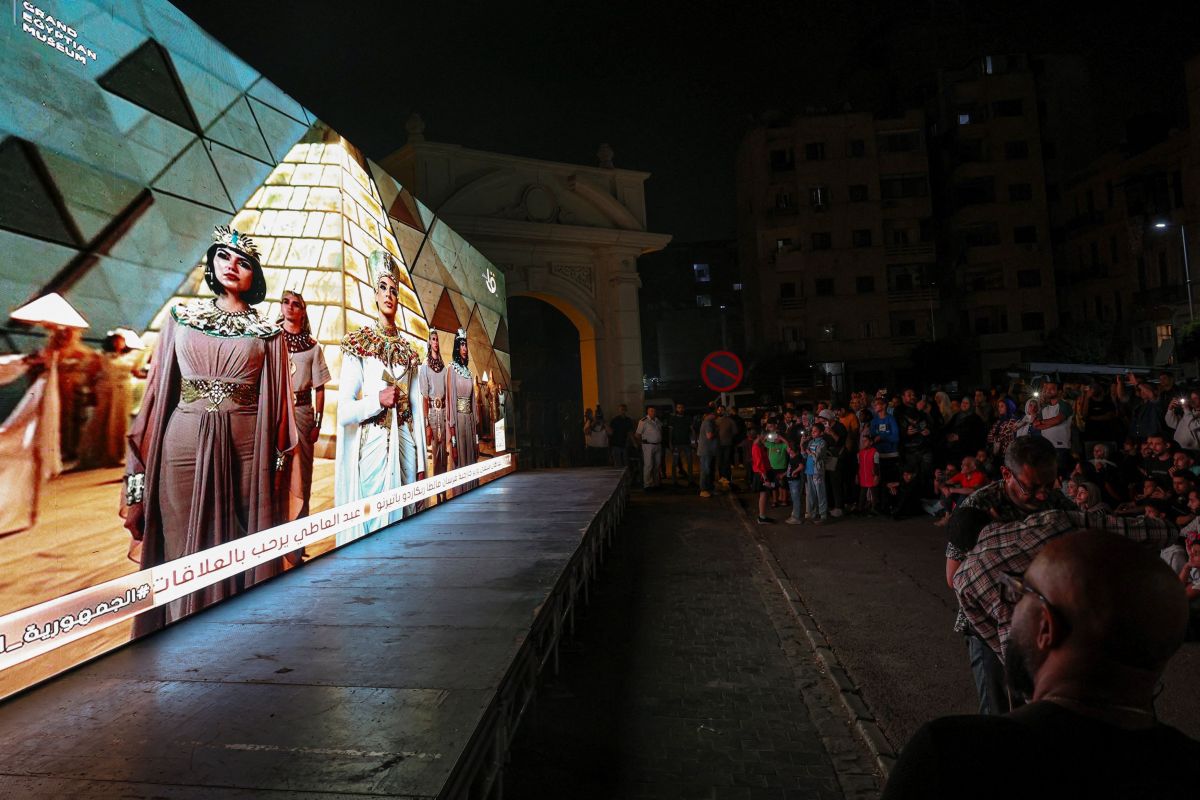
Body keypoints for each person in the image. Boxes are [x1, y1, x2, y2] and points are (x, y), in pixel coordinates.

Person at [885, 530, 1199, 799]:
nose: (1013, 606)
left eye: (1022, 593)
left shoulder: (951, 756)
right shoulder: (1187, 769)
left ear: (1046, 627)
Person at [123, 226, 298, 634]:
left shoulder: (269, 333)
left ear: (255, 275)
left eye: (244, 262)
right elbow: (156, 400)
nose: (232, 266)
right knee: (180, 542)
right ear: (211, 263)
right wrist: (137, 486)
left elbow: (278, 412)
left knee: (238, 544)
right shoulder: (180, 318)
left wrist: (275, 475)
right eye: (223, 256)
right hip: (181, 444)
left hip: (246, 449)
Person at [943, 436, 1077, 715]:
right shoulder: (975, 509)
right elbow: (954, 577)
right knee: (1000, 710)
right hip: (989, 622)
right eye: (1032, 487)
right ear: (1006, 473)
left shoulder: (1057, 501)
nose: (1042, 495)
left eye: (1049, 484)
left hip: (1049, 617)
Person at [335, 250, 428, 544]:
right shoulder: (359, 344)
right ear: (375, 295)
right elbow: (344, 412)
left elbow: (416, 409)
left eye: (394, 290)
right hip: (373, 446)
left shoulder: (409, 353)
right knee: (373, 528)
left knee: (407, 526)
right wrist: (377, 400)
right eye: (383, 288)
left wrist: (422, 465)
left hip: (406, 446)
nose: (389, 294)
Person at [280, 290, 330, 518]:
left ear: (303, 311)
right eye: (285, 302)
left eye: (296, 304)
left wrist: (317, 423)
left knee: (303, 472)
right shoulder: (272, 340)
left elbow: (320, 388)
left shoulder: (313, 347)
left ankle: (300, 527)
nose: (290, 307)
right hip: (277, 412)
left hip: (302, 414)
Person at [78, 331, 138, 468]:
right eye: (116, 340)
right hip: (106, 389)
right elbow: (91, 374)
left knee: (120, 420)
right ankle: (96, 454)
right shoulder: (101, 356)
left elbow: (136, 372)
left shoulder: (130, 357)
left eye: (121, 341)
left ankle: (117, 454)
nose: (119, 343)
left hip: (123, 389)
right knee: (102, 418)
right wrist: (90, 391)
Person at [446, 327, 478, 480]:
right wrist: (453, 443)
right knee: (461, 466)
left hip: (470, 422)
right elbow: (450, 404)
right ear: (457, 347)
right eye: (461, 345)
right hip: (458, 423)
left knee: (472, 463)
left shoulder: (469, 373)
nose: (465, 348)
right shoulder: (451, 369)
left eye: (466, 345)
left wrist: (477, 440)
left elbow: (474, 406)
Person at [419, 329, 449, 484]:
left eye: (437, 339)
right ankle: (437, 485)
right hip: (431, 412)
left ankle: (444, 483)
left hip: (443, 412)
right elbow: (424, 397)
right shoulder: (424, 367)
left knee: (444, 449)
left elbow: (447, 394)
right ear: (429, 342)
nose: (436, 342)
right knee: (435, 448)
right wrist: (427, 425)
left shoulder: (444, 368)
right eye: (433, 339)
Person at [1033, 381, 1073, 476]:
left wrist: (1043, 422)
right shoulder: (1044, 408)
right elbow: (1036, 425)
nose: (1048, 391)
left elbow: (1058, 419)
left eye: (1052, 389)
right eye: (1047, 389)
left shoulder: (1065, 405)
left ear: (1059, 391)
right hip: (1046, 447)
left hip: (1061, 448)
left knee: (1060, 475)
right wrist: (1051, 423)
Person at [805, 420, 829, 524]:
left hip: (817, 470)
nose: (813, 433)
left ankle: (823, 515)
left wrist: (809, 452)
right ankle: (813, 513)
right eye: (812, 431)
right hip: (809, 470)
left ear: (821, 433)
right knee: (811, 493)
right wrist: (803, 446)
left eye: (815, 431)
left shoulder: (822, 443)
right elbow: (805, 454)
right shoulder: (811, 442)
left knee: (820, 492)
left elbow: (818, 456)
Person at [635, 405, 663, 489]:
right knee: (649, 465)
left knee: (657, 465)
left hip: (658, 445)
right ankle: (647, 485)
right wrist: (641, 444)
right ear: (647, 411)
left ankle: (656, 483)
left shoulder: (657, 420)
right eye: (651, 411)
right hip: (648, 445)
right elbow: (637, 434)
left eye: (654, 411)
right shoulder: (643, 421)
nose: (653, 412)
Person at [750, 426, 775, 523]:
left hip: (763, 473)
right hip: (762, 474)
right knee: (763, 494)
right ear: (758, 435)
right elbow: (759, 464)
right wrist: (765, 478)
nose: (765, 437)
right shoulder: (756, 447)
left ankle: (762, 516)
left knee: (764, 494)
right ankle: (761, 516)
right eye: (763, 435)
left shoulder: (758, 445)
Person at [667, 402, 693, 485]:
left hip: (687, 443)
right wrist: (670, 443)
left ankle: (691, 480)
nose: (680, 409)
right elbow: (670, 431)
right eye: (679, 407)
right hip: (676, 444)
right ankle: (674, 481)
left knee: (689, 462)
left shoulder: (688, 418)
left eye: (682, 407)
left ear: (684, 409)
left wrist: (694, 441)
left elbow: (692, 430)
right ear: (676, 409)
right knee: (674, 463)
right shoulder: (673, 419)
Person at [715, 405, 738, 487]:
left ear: (725, 411)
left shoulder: (730, 421)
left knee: (727, 461)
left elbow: (735, 431)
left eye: (722, 409)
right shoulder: (715, 421)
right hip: (718, 445)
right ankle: (722, 477)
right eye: (719, 410)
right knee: (720, 462)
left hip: (727, 444)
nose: (720, 411)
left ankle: (728, 478)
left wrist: (728, 437)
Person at [697, 408, 718, 497]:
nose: (715, 417)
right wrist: (717, 431)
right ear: (710, 414)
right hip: (706, 451)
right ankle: (703, 490)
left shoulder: (709, 423)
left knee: (710, 471)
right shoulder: (708, 423)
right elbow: (709, 436)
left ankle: (710, 489)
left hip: (709, 451)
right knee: (705, 470)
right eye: (714, 414)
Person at [607, 403, 633, 468]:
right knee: (618, 464)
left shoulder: (628, 420)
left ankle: (626, 474)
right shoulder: (615, 420)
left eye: (624, 409)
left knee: (626, 463)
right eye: (621, 409)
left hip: (624, 444)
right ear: (619, 410)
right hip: (616, 444)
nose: (623, 411)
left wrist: (632, 442)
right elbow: (610, 432)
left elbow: (630, 432)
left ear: (626, 410)